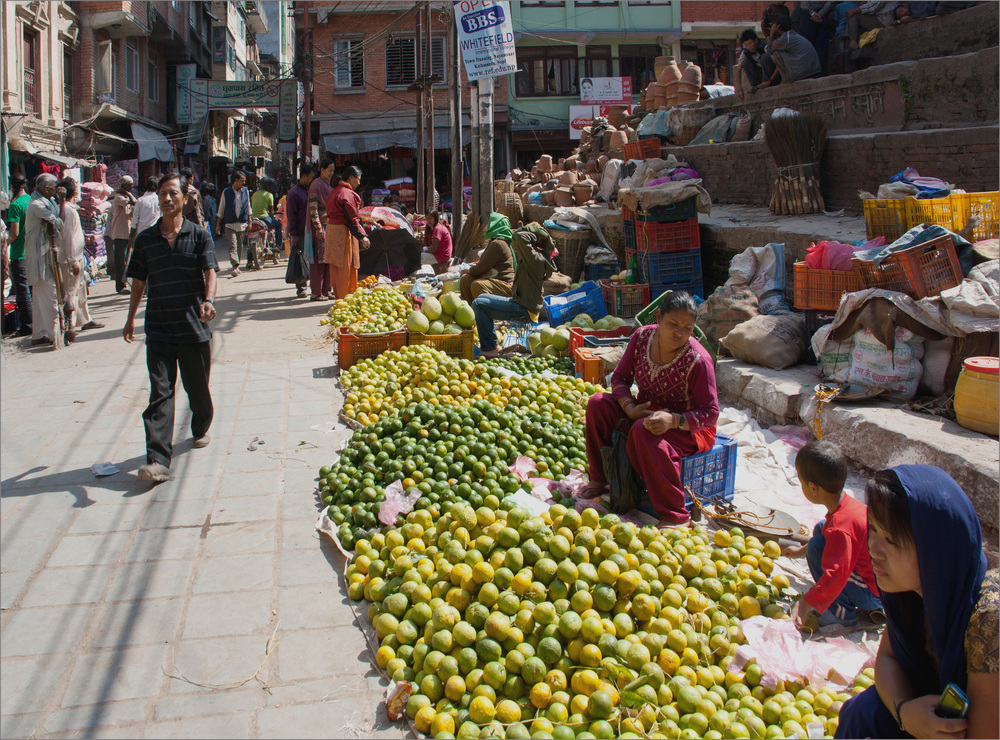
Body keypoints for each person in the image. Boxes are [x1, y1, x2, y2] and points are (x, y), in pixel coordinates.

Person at [835, 466, 998, 739]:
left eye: (891, 539)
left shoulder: (988, 620)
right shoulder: (913, 588)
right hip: (929, 715)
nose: (873, 549)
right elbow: (886, 658)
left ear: (934, 548)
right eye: (873, 529)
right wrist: (905, 713)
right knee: (862, 713)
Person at [580, 291, 719, 527]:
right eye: (673, 324)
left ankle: (675, 515)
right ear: (658, 316)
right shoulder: (642, 337)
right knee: (597, 404)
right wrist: (629, 406)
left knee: (643, 431)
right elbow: (621, 379)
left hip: (688, 427)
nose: (679, 332)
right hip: (645, 411)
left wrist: (673, 420)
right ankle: (600, 478)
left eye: (687, 327)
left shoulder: (698, 360)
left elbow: (710, 413)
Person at [124, 171, 219, 483]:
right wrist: (130, 318)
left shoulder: (199, 235)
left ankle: (201, 424)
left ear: (184, 196)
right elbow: (138, 280)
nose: (166, 199)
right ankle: (158, 460)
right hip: (159, 329)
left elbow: (210, 271)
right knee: (160, 394)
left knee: (197, 389)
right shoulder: (146, 240)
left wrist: (208, 300)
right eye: (162, 194)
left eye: (172, 194)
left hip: (193, 330)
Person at [782, 441, 882, 628]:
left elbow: (836, 576)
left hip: (874, 593)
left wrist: (804, 604)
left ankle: (842, 613)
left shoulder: (840, 528)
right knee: (821, 529)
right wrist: (798, 552)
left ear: (813, 488)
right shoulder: (846, 506)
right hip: (875, 579)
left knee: (816, 548)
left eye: (801, 482)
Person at [472, 222, 555, 359]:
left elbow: (521, 236)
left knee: (478, 305)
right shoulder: (534, 256)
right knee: (482, 297)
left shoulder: (535, 259)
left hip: (524, 309)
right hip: (519, 301)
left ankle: (489, 349)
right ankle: (492, 344)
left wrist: (539, 234)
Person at [23, 174, 65, 347]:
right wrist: (62, 201)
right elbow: (60, 222)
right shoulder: (37, 205)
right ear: (45, 189)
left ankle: (39, 333)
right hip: (39, 256)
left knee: (42, 295)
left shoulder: (47, 202)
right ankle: (51, 333)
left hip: (45, 254)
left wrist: (49, 221)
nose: (55, 191)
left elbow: (53, 221)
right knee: (49, 293)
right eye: (53, 188)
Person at [57, 178, 102, 332]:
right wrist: (72, 260)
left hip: (76, 255)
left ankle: (84, 319)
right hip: (71, 258)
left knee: (81, 288)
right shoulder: (68, 211)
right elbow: (67, 236)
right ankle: (71, 324)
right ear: (74, 192)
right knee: (72, 291)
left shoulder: (70, 208)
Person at [325, 166, 369, 301]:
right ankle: (346, 299)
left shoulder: (335, 191)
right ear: (350, 178)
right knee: (346, 266)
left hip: (332, 230)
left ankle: (339, 296)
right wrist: (362, 236)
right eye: (358, 179)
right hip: (342, 232)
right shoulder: (347, 194)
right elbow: (352, 219)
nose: (359, 183)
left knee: (336, 267)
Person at [460, 213, 516, 303]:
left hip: (504, 285)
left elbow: (482, 267)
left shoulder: (498, 244)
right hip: (494, 280)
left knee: (477, 285)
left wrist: (469, 269)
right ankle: (471, 311)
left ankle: (485, 313)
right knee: (466, 280)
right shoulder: (495, 242)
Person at [6, 175, 32, 336]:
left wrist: (5, 243)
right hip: (32, 252)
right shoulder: (30, 200)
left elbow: (14, 233)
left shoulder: (15, 205)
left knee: (23, 293)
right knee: (33, 290)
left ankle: (28, 325)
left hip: (19, 254)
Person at [306, 158, 336, 299]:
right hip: (321, 228)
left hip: (328, 226)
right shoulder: (316, 186)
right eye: (329, 170)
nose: (331, 173)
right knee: (319, 261)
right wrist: (318, 228)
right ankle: (316, 292)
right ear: (322, 170)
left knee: (327, 259)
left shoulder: (325, 185)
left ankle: (326, 290)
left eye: (332, 171)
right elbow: (313, 208)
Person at [764, 16, 822, 85]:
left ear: (778, 26)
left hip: (805, 72)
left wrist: (771, 33)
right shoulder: (793, 35)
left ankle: (786, 80)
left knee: (777, 53)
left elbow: (769, 50)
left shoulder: (786, 38)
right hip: (814, 70)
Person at [286, 164, 314, 298]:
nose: (311, 180)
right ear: (304, 176)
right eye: (310, 177)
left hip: (310, 229)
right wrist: (294, 234)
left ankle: (311, 284)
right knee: (301, 258)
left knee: (309, 258)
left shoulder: (308, 190)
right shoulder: (294, 193)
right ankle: (301, 287)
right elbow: (291, 215)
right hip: (300, 231)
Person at [216, 170, 250, 277]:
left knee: (239, 246)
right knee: (232, 245)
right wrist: (218, 225)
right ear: (235, 181)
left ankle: (237, 264)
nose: (243, 183)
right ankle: (235, 266)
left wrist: (250, 221)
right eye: (242, 181)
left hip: (242, 224)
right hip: (229, 224)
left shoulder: (245, 191)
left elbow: (248, 207)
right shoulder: (226, 192)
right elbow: (221, 209)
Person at [108, 175, 136, 293]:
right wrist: (126, 193)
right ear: (124, 185)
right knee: (120, 261)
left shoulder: (124, 196)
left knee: (126, 259)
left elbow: (135, 204)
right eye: (129, 185)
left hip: (126, 232)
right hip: (120, 233)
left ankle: (124, 282)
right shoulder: (119, 197)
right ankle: (120, 286)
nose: (131, 187)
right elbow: (133, 201)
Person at [734, 29, 779, 98]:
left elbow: (779, 65)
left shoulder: (765, 48)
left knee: (764, 57)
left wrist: (770, 80)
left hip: (773, 77)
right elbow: (738, 70)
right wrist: (739, 89)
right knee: (745, 62)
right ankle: (756, 85)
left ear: (756, 40)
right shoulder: (745, 53)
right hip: (761, 75)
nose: (749, 46)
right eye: (746, 45)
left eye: (750, 43)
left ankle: (766, 82)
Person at [798, 2, 835, 75]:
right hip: (813, 14)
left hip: (816, 15)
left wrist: (816, 14)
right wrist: (816, 13)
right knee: (809, 47)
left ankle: (816, 74)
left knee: (818, 49)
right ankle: (815, 74)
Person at [251, 177, 282, 255]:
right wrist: (272, 217)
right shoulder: (269, 195)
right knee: (278, 225)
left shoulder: (255, 194)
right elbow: (271, 211)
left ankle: (250, 260)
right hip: (264, 218)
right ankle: (278, 245)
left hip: (253, 219)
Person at [129, 176, 162, 247]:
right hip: (155, 233)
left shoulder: (140, 200)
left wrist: (131, 236)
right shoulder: (159, 200)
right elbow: (162, 217)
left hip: (141, 233)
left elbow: (134, 220)